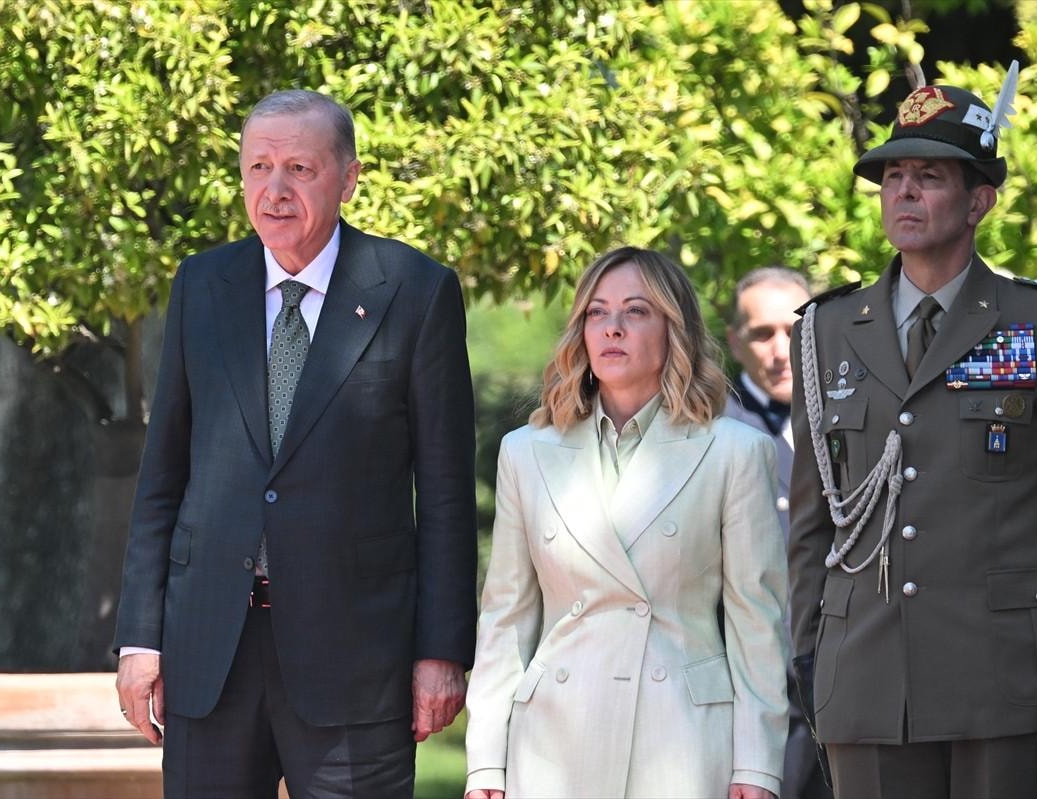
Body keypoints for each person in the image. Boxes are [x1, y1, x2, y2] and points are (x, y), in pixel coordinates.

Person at [113, 90, 477, 797]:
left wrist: (441, 650)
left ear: (349, 178)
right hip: (209, 652)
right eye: (259, 167)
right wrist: (140, 638)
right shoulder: (202, 285)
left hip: (355, 663)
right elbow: (163, 477)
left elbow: (444, 494)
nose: (274, 189)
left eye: (300, 169)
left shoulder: (415, 291)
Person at [786, 71, 1037, 799]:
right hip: (865, 675)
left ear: (979, 201)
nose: (904, 192)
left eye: (929, 176)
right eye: (893, 177)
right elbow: (813, 519)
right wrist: (807, 649)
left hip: (999, 677)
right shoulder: (826, 331)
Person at [464, 246, 790, 799]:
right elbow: (506, 619)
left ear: (673, 329)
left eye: (636, 311)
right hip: (552, 744)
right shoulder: (526, 452)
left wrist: (757, 766)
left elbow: (756, 623)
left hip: (681, 743)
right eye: (597, 312)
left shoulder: (735, 452)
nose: (612, 328)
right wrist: (486, 765)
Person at [725, 268, 831, 799]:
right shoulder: (703, 429)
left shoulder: (854, 418)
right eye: (762, 334)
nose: (780, 350)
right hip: (745, 691)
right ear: (734, 343)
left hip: (840, 683)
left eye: (794, 331)